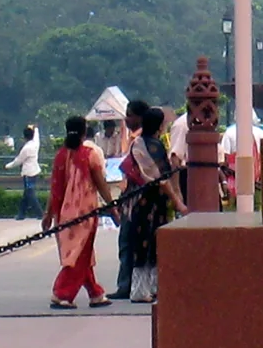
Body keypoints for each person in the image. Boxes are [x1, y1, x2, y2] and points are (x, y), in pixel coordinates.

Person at [43, 116, 117, 309]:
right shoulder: (89, 154)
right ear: (85, 132)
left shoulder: (60, 155)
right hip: (85, 214)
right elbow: (102, 185)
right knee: (79, 255)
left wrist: (48, 214)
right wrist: (112, 207)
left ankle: (95, 293)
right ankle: (62, 293)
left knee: (81, 253)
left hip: (63, 215)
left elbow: (54, 188)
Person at [124, 106, 186, 302]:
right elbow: (160, 177)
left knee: (149, 243)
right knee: (145, 243)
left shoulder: (147, 143)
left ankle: (148, 288)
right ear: (160, 125)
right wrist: (178, 202)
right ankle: (141, 290)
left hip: (150, 201)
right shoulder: (147, 145)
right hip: (148, 200)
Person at [107, 99, 150, 300]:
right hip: (137, 199)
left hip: (135, 200)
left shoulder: (140, 141)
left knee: (128, 243)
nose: (126, 118)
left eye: (129, 114)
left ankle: (126, 285)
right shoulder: (140, 139)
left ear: (140, 117)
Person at [7, 125, 45, 218]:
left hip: (28, 173)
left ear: (24, 137)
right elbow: (37, 137)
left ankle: (40, 213)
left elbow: (18, 160)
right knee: (26, 194)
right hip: (35, 171)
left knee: (30, 194)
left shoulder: (26, 148)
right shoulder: (35, 144)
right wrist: (36, 128)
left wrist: (8, 166)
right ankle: (21, 214)